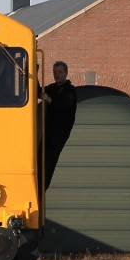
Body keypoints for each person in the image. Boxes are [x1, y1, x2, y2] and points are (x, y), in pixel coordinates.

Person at [41, 60, 77, 189]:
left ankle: (42, 190)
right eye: (55, 72)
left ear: (66, 73)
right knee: (40, 159)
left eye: (60, 72)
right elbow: (39, 91)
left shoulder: (70, 91)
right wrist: (35, 72)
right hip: (48, 132)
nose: (57, 75)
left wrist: (49, 100)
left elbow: (65, 107)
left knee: (49, 162)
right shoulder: (52, 88)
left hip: (59, 134)